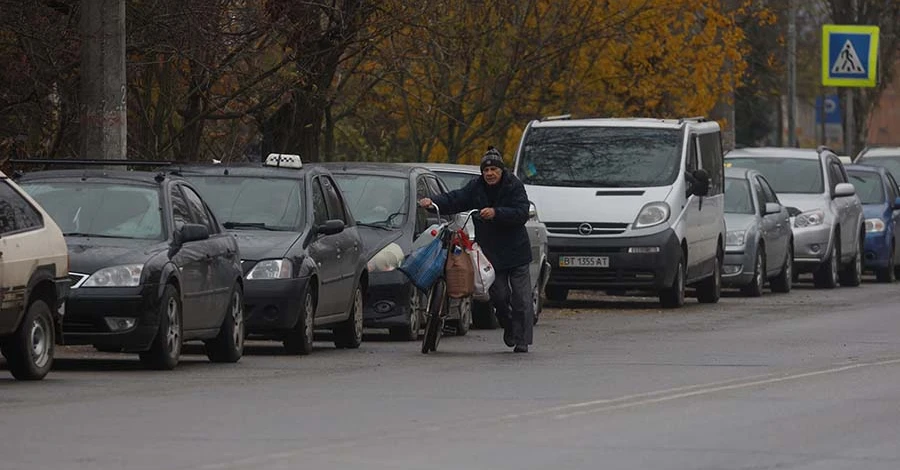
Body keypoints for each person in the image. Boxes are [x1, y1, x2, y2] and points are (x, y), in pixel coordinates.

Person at [418, 146, 534, 352]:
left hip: (517, 252)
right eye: (486, 170)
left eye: (493, 170)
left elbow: (521, 212)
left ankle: (522, 340)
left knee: (521, 298)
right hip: (491, 255)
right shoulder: (476, 187)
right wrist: (432, 202)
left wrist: (497, 213)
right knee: (499, 296)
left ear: (501, 171)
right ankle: (509, 327)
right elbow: (455, 199)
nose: (489, 174)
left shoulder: (514, 186)